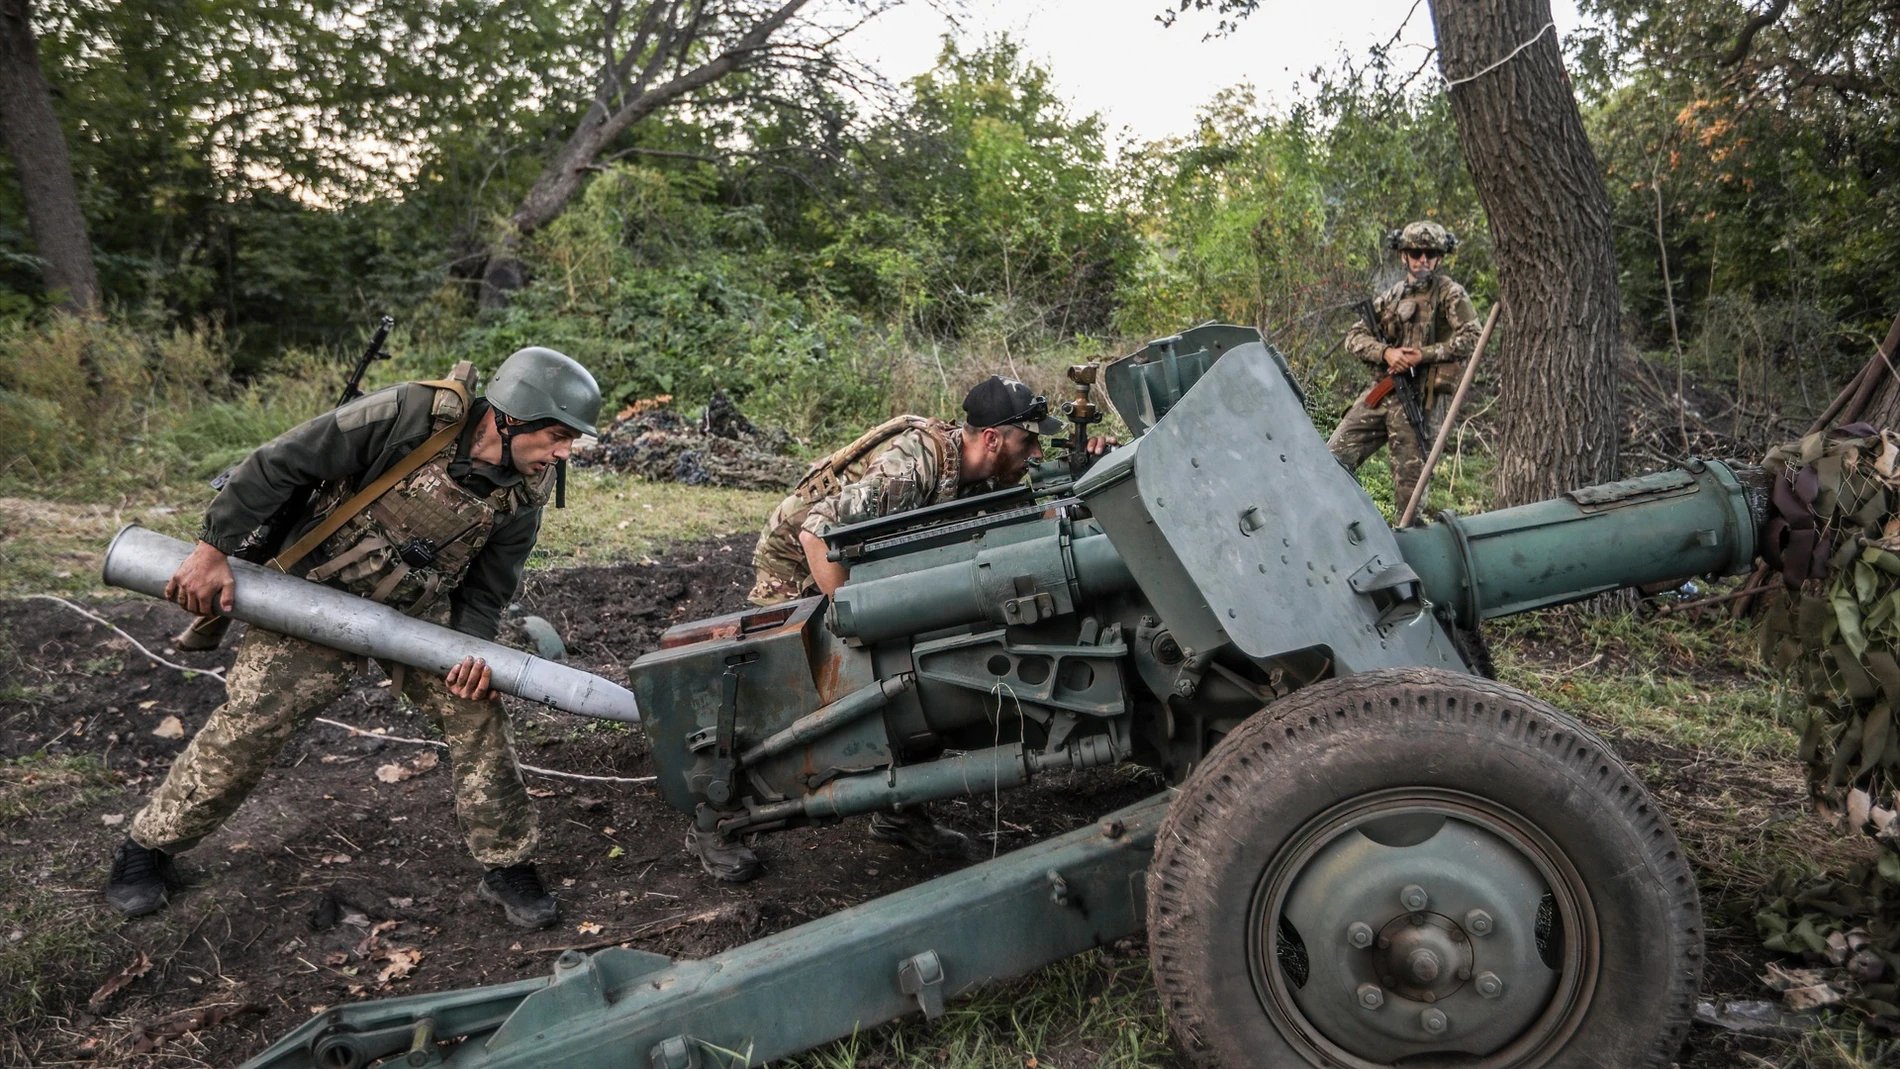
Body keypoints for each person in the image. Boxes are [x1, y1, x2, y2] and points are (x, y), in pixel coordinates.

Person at [102, 347, 602, 929]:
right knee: (250, 725)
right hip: (309, 600)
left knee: (477, 714)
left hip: (415, 620)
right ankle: (147, 849)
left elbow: (488, 589)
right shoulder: (410, 414)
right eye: (558, 436)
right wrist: (212, 549)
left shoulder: (525, 492)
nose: (564, 453)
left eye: (570, 441)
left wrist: (469, 653)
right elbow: (279, 462)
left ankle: (507, 865)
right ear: (510, 417)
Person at [700, 376, 1065, 882]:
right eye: (1029, 442)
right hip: (801, 565)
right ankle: (717, 820)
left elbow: (1038, 505)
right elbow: (815, 532)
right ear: (992, 439)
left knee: (913, 667)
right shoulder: (911, 466)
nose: (1037, 452)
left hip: (857, 561)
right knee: (793, 698)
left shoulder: (985, 473)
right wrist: (855, 620)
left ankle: (898, 815)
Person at [1328, 220, 1483, 511]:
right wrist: (1386, 353)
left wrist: (1422, 355)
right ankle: (1345, 517)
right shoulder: (1393, 295)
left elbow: (1473, 337)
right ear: (1404, 255)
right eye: (1415, 253)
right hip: (1384, 393)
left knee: (1410, 494)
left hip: (1421, 401)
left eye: (1430, 253)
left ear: (1439, 257)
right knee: (1332, 457)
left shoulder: (1450, 294)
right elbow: (1354, 337)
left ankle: (1403, 537)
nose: (1422, 259)